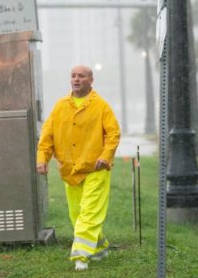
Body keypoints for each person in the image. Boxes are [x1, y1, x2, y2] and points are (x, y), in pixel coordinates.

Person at [36, 65, 121, 271]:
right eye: (73, 76)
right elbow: (47, 136)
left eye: (81, 76)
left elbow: (113, 134)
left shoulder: (101, 106)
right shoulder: (60, 106)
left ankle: (80, 255)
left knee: (89, 212)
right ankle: (99, 248)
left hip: (95, 168)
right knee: (77, 214)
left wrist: (105, 156)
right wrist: (42, 159)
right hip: (70, 171)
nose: (76, 79)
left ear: (91, 80)